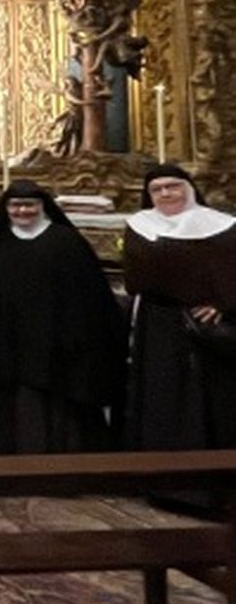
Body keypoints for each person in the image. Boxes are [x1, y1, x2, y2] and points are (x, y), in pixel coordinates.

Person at [0, 180, 124, 455]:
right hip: (9, 339)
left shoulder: (65, 241)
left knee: (62, 405)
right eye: (15, 205)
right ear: (5, 208)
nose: (23, 211)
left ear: (42, 206)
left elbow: (90, 292)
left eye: (30, 205)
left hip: (61, 340)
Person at [122, 165, 236, 463]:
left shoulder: (223, 226)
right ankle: (159, 471)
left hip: (205, 327)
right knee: (162, 396)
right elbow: (135, 280)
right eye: (157, 190)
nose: (166, 194)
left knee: (205, 399)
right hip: (158, 324)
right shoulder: (140, 225)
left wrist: (224, 303)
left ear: (189, 188)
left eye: (172, 186)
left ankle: (209, 472)